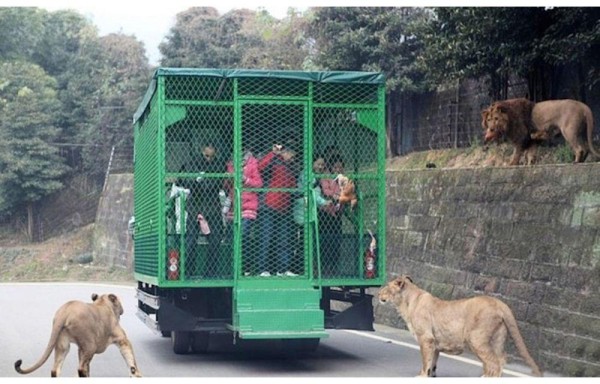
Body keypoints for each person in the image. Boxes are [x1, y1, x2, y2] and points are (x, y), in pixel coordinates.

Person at [178, 144, 225, 277]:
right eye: (207, 147)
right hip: (195, 205)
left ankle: (211, 272)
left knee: (215, 238)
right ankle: (188, 271)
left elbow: (219, 181)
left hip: (212, 205)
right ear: (203, 149)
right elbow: (182, 180)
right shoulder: (193, 162)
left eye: (212, 147)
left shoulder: (219, 163)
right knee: (191, 239)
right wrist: (196, 179)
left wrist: (206, 180)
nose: (209, 150)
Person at [257, 144, 297, 277]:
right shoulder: (274, 161)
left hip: (284, 208)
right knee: (265, 238)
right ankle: (262, 268)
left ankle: (282, 269)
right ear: (284, 153)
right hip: (269, 205)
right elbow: (260, 167)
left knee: (284, 240)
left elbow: (292, 186)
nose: (292, 158)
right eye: (291, 154)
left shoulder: (291, 168)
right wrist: (273, 153)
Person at [224, 147, 263, 275]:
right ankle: (233, 267)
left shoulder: (252, 163)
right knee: (231, 237)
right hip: (234, 205)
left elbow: (258, 183)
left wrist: (246, 180)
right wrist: (228, 179)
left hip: (248, 204)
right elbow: (226, 187)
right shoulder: (230, 164)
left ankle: (245, 266)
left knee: (243, 235)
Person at [293, 157, 333, 276]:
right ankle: (300, 269)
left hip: (308, 211)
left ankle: (306, 269)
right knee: (303, 242)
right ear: (312, 163)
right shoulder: (308, 174)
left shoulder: (313, 175)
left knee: (307, 242)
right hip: (303, 212)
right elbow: (311, 193)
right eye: (318, 164)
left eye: (323, 165)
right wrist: (324, 202)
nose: (321, 167)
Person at [319, 154, 344, 277]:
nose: (338, 170)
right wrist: (335, 195)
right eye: (335, 167)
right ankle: (324, 267)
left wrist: (340, 196)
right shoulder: (326, 176)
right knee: (326, 240)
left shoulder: (342, 179)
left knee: (336, 240)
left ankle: (334, 267)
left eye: (340, 167)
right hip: (326, 213)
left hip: (337, 212)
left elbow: (345, 190)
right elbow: (326, 190)